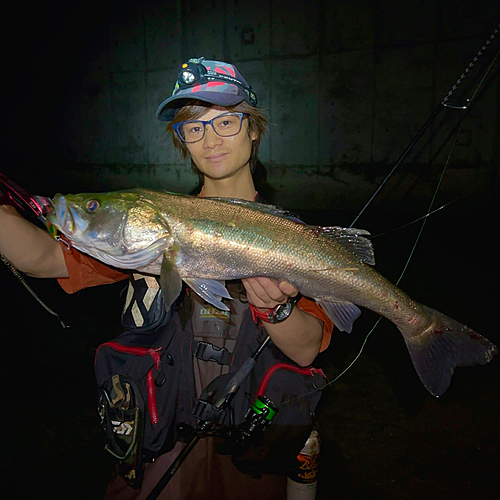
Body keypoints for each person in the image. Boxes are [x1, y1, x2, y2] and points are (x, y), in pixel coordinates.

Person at [0, 57, 333, 499]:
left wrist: (277, 307)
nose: (210, 139)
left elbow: (307, 346)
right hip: (161, 451)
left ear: (254, 128)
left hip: (251, 457)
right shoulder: (145, 228)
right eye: (193, 128)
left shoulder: (292, 237)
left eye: (226, 122)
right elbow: (42, 256)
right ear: (182, 142)